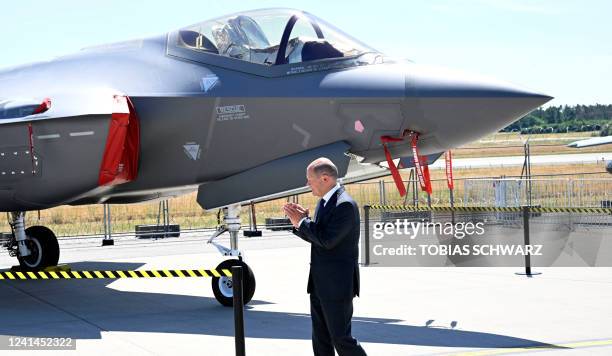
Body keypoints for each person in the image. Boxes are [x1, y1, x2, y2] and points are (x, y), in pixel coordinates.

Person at [284, 157, 367, 356]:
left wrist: (303, 223)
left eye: (310, 179)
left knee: (341, 340)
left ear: (324, 179)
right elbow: (320, 237)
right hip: (320, 285)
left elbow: (328, 240)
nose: (307, 184)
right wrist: (302, 223)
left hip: (337, 287)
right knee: (321, 342)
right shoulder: (324, 202)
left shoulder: (344, 205)